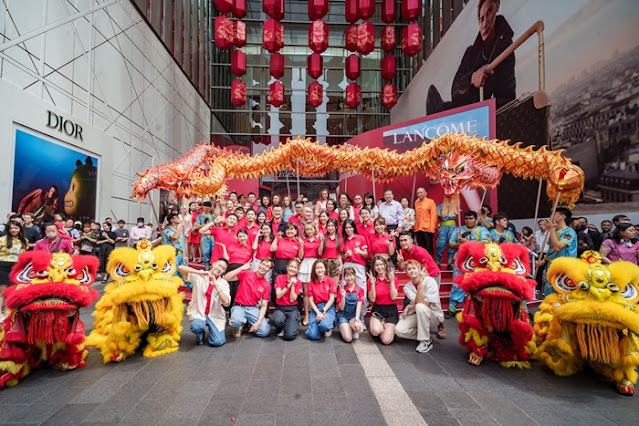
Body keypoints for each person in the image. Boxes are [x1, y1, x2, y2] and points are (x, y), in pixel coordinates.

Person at [426, 0, 515, 114]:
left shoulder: (505, 47)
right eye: (481, 19)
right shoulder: (471, 52)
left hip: (487, 116)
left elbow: (506, 95)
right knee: (433, 97)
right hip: (468, 114)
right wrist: (472, 78)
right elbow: (455, 91)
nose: (485, 23)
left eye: (489, 12)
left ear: (497, 7)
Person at [446, 211, 491, 318]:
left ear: (476, 219)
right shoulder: (458, 230)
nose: (468, 220)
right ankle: (452, 308)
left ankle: (475, 309)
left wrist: (467, 243)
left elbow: (487, 242)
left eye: (471, 218)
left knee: (476, 283)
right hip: (461, 259)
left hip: (477, 261)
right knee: (457, 282)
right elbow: (451, 244)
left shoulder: (482, 230)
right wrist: (459, 244)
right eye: (466, 218)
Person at [395, 260, 446, 353]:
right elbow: (418, 301)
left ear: (419, 270)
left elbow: (425, 303)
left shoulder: (430, 281)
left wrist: (420, 284)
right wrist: (412, 306)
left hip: (433, 315)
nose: (412, 271)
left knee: (420, 307)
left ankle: (425, 341)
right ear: (406, 272)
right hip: (418, 313)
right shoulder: (407, 287)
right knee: (399, 330)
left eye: (414, 268)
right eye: (409, 269)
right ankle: (425, 335)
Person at [179, 260, 230, 346]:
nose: (219, 269)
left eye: (223, 268)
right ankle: (200, 333)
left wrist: (216, 286)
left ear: (224, 272)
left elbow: (226, 303)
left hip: (215, 315)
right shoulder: (200, 275)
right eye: (219, 265)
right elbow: (180, 268)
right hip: (200, 311)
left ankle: (212, 331)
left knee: (217, 342)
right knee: (197, 326)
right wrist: (198, 272)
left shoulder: (223, 283)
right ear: (213, 264)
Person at [224, 258, 273, 338]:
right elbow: (226, 278)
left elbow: (264, 305)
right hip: (239, 306)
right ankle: (239, 325)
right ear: (259, 264)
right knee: (236, 321)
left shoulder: (266, 285)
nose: (263, 267)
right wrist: (241, 268)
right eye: (263, 264)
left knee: (265, 332)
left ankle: (249, 324)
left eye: (267, 266)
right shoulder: (246, 274)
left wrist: (258, 322)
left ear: (269, 270)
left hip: (253, 308)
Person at [537, 207, 578, 297]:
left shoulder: (569, 232)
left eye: (554, 214)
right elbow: (550, 249)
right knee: (550, 292)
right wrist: (543, 261)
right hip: (551, 266)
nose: (551, 216)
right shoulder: (554, 231)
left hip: (564, 267)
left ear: (562, 216)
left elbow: (557, 247)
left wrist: (551, 230)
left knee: (562, 292)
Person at [367, 255, 399, 345]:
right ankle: (382, 326)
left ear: (385, 265)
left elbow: (393, 297)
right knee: (375, 331)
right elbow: (372, 299)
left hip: (391, 310)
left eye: (381, 264)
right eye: (377, 265)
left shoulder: (393, 278)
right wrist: (373, 285)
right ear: (374, 267)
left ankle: (387, 328)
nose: (379, 267)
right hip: (378, 309)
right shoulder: (371, 280)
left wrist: (392, 281)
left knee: (386, 341)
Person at [0, 220, 28, 321]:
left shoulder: (24, 240)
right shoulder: (2, 239)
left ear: (19, 229)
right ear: (8, 229)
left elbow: (24, 254)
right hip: (2, 265)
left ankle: (8, 312)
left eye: (15, 228)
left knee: (11, 291)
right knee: (2, 292)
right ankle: (0, 313)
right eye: (11, 228)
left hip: (16, 266)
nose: (13, 230)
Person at [318, 218, 342, 325]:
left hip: (335, 263)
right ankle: (324, 311)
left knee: (333, 290)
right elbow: (319, 252)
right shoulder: (324, 237)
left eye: (333, 226)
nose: (331, 228)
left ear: (336, 227)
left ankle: (333, 313)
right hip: (324, 263)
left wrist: (341, 264)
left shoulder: (339, 238)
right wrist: (322, 240)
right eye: (329, 226)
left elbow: (340, 253)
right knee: (324, 288)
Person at [305, 259, 337, 340]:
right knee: (312, 335)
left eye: (321, 268)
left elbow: (332, 299)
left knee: (325, 325)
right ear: (314, 270)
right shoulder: (311, 283)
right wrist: (318, 313)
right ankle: (319, 324)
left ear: (325, 269)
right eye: (317, 268)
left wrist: (323, 311)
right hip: (316, 308)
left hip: (327, 307)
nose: (320, 270)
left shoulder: (330, 281)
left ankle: (328, 325)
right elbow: (311, 301)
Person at [271, 259, 303, 340]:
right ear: (287, 267)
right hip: (280, 308)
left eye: (295, 268)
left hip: (292, 309)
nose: (292, 269)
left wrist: (293, 285)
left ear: (298, 270)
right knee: (276, 321)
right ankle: (281, 327)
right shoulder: (279, 278)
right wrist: (289, 284)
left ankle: (291, 323)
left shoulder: (298, 282)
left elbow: (292, 299)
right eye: (291, 266)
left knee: (289, 336)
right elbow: (278, 295)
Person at [222, 229, 254, 305]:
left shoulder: (250, 248)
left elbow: (251, 262)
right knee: (229, 289)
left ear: (247, 236)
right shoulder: (232, 246)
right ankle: (227, 306)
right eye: (240, 237)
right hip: (231, 270)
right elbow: (227, 258)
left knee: (238, 290)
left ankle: (236, 306)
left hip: (243, 271)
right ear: (237, 238)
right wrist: (223, 248)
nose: (242, 238)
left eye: (244, 236)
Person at [299, 222, 321, 325]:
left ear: (314, 229)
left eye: (311, 229)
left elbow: (320, 253)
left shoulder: (318, 240)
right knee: (306, 293)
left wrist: (322, 241)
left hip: (315, 264)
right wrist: (301, 246)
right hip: (305, 264)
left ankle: (314, 313)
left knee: (315, 291)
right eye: (307, 230)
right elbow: (300, 256)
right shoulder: (303, 241)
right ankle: (307, 315)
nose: (309, 231)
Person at [336, 266, 365, 343]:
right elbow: (341, 308)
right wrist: (343, 296)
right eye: (347, 276)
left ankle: (351, 327)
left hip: (353, 315)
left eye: (351, 275)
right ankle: (343, 327)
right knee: (348, 339)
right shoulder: (342, 289)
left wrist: (357, 319)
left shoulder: (360, 290)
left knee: (359, 329)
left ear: (355, 276)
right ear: (344, 278)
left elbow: (359, 306)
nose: (349, 278)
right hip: (343, 315)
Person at [340, 219, 368, 294]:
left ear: (353, 228)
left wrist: (360, 252)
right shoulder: (343, 240)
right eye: (346, 228)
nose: (348, 230)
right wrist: (346, 255)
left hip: (359, 265)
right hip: (347, 264)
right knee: (345, 285)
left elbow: (366, 254)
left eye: (350, 227)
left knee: (361, 285)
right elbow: (340, 257)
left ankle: (362, 304)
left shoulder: (360, 238)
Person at [414, 188, 438, 255]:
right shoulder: (417, 203)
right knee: (421, 247)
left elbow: (433, 215)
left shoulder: (430, 202)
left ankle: (429, 263)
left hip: (427, 228)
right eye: (418, 193)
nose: (419, 194)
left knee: (428, 247)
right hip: (418, 228)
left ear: (425, 193)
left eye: (421, 192)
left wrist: (432, 228)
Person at [435, 203, 456, 269]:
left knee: (452, 244)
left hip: (452, 227)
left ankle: (449, 263)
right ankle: (437, 262)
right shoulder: (440, 206)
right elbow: (438, 215)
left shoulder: (455, 205)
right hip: (443, 227)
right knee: (440, 244)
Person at [195, 202, 215, 269]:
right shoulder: (199, 217)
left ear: (210, 208)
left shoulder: (212, 216)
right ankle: (207, 269)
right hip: (204, 236)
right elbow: (197, 226)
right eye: (205, 206)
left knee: (213, 251)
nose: (206, 208)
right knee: (205, 252)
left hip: (212, 235)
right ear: (202, 207)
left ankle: (212, 267)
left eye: (208, 207)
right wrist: (206, 225)